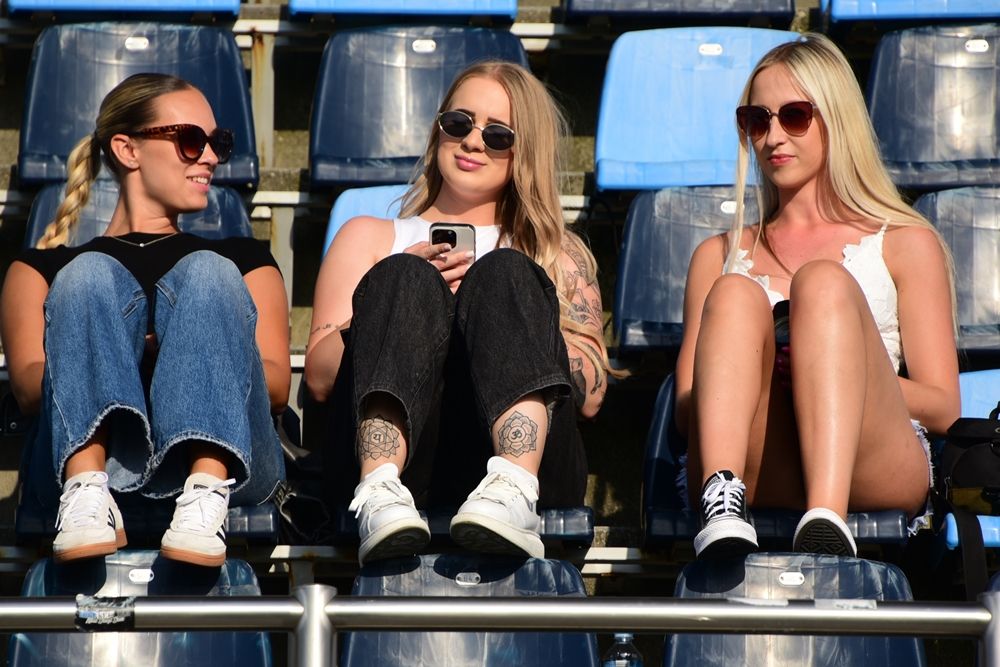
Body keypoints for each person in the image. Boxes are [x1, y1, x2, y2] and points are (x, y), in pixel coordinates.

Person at [305, 60, 617, 565]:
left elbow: (591, 396)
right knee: (405, 278)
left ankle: (512, 487)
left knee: (503, 274)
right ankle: (380, 489)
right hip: (398, 468)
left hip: (528, 469)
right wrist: (385, 303)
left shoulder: (555, 251)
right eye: (459, 123)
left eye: (498, 135)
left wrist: (502, 314)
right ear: (438, 130)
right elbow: (319, 380)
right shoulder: (369, 236)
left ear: (525, 150)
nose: (473, 141)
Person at [674, 33, 960, 559]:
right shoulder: (716, 254)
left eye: (795, 116)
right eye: (757, 120)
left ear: (836, 118)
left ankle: (827, 516)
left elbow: (944, 407)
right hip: (757, 459)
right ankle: (723, 507)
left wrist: (827, 369)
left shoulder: (905, 242)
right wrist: (765, 371)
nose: (773, 137)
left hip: (870, 461)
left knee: (823, 283)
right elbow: (685, 408)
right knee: (735, 292)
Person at [0, 73, 290, 567]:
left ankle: (204, 493)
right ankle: (86, 492)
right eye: (191, 140)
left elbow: (277, 385)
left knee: (207, 271)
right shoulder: (42, 269)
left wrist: (175, 346)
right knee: (87, 274)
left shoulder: (242, 260)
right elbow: (30, 388)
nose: (211, 157)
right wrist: (139, 347)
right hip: (81, 462)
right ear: (127, 149)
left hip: (233, 465)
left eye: (218, 142)